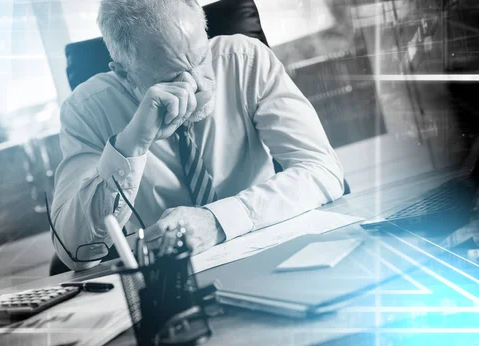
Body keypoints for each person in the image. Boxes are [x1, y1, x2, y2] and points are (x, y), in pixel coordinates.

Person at [51, 0, 345, 271]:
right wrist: (131, 145)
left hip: (273, 251)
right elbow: (74, 252)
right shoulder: (86, 111)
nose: (200, 87)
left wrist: (217, 221)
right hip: (171, 283)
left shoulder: (246, 60)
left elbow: (323, 170)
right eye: (172, 77)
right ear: (124, 74)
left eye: (202, 59)